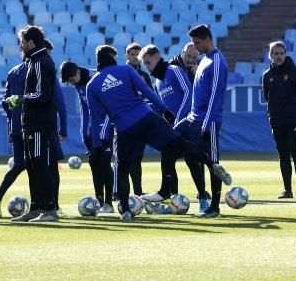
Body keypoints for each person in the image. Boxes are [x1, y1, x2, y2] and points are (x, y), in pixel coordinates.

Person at [86, 45, 232, 222]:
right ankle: (212, 164)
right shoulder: (125, 70)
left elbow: (95, 117)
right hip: (146, 116)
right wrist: (165, 110)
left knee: (124, 168)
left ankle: (125, 210)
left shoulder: (92, 85)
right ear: (113, 60)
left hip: (124, 128)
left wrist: (96, 145)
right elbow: (146, 91)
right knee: (178, 143)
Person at [4, 26, 60, 222]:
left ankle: (50, 209)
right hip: (31, 122)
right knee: (32, 165)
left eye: (22, 42)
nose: (21, 46)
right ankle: (35, 208)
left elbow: (42, 95)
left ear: (30, 42)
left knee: (39, 165)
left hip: (38, 123)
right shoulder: (35, 60)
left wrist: (20, 98)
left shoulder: (39, 61)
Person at [174, 24, 229, 218]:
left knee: (213, 162)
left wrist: (207, 124)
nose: (195, 47)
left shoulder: (217, 62)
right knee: (172, 139)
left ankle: (214, 206)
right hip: (192, 117)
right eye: (193, 43)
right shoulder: (204, 59)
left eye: (197, 43)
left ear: (207, 39)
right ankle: (169, 192)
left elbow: (215, 96)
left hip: (209, 120)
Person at [140, 44, 206, 200]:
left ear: (156, 57)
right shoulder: (157, 81)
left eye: (148, 62)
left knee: (192, 161)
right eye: (145, 64)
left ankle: (203, 197)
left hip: (188, 124)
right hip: (172, 127)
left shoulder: (174, 70)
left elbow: (188, 92)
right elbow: (162, 106)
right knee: (167, 158)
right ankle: (172, 197)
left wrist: (178, 119)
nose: (147, 67)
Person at [60, 60, 115, 212]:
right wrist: (84, 133)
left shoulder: (96, 78)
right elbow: (85, 108)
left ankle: (109, 203)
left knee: (104, 162)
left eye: (72, 80)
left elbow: (109, 106)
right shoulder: (78, 83)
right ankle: (99, 200)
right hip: (93, 128)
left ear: (77, 72)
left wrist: (102, 134)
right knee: (94, 163)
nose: (72, 83)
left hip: (107, 126)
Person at [261, 41, 296, 199]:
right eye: (275, 53)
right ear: (271, 56)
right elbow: (266, 97)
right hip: (276, 120)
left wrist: (295, 109)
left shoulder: (295, 72)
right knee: (283, 155)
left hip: (293, 120)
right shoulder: (267, 76)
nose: (279, 56)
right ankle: (287, 190)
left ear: (285, 54)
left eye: (281, 53)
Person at [0, 51, 28, 218]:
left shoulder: (13, 72)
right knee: (38, 165)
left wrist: (13, 120)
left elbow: (5, 102)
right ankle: (44, 205)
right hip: (31, 126)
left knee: (20, 164)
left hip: (16, 126)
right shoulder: (36, 71)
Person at [124, 42, 151, 195]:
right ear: (126, 55)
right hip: (124, 121)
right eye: (132, 54)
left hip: (140, 120)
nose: (135, 57)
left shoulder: (145, 75)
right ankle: (120, 191)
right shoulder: (121, 72)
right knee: (123, 160)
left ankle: (137, 192)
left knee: (136, 158)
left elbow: (150, 95)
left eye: (137, 55)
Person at [45, 39, 68, 215]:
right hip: (48, 127)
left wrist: (63, 128)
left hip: (44, 127)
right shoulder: (47, 73)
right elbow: (61, 103)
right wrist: (64, 129)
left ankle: (49, 204)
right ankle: (53, 205)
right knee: (50, 166)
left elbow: (61, 102)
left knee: (47, 166)